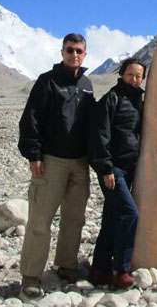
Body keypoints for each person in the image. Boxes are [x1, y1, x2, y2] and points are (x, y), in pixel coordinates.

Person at [17, 33, 95, 299]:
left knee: (74, 219)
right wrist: (34, 154)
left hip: (80, 163)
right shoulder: (46, 81)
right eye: (70, 50)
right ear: (62, 52)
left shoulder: (87, 84)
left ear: (85, 54)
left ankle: (67, 265)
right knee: (40, 220)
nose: (75, 55)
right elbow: (32, 119)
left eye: (79, 51)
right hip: (52, 161)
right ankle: (30, 275)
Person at [89, 58, 146, 288]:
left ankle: (100, 269)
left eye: (138, 76)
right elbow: (100, 135)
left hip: (130, 169)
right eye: (130, 74)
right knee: (130, 214)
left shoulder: (140, 100)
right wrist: (105, 168)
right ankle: (121, 269)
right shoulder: (111, 99)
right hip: (113, 170)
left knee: (112, 218)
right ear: (121, 74)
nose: (134, 79)